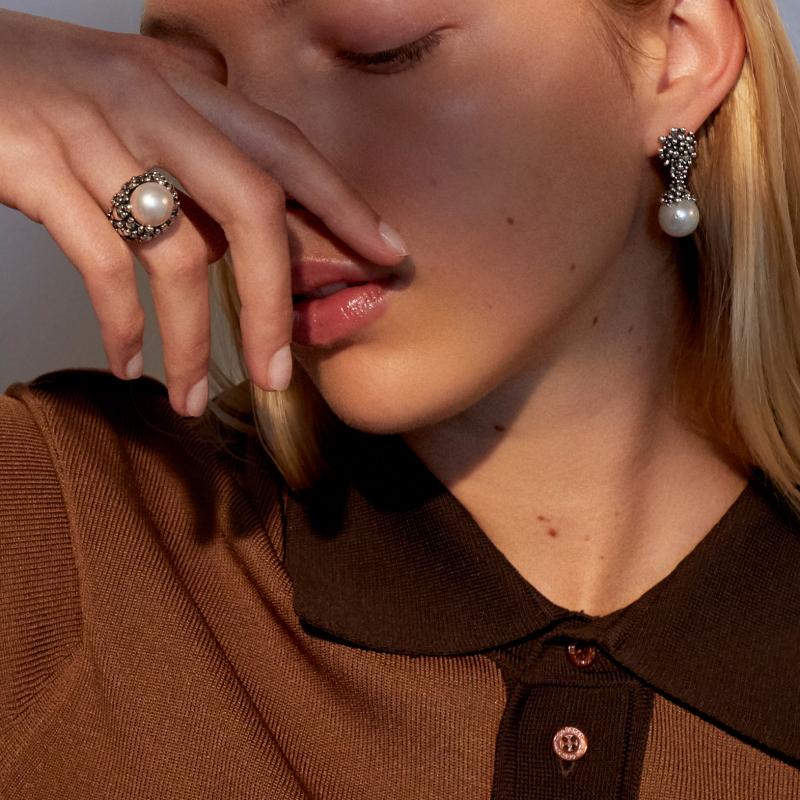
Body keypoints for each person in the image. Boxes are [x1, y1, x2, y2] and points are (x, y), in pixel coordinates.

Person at [1, 0, 799, 796]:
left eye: (380, 50)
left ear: (678, 54)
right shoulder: (70, 534)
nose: (256, 170)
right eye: (196, 87)